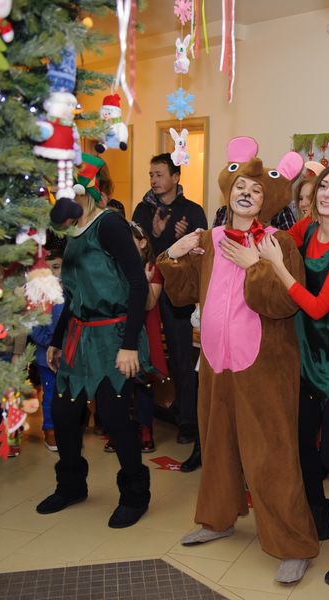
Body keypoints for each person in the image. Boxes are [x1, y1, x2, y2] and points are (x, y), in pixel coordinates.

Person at [156, 136, 319, 584]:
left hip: (264, 368)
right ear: (229, 192)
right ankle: (217, 519)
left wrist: (255, 264)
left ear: (267, 201)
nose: (247, 193)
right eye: (241, 186)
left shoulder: (278, 243)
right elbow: (183, 293)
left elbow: (283, 303)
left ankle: (293, 544)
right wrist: (172, 255)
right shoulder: (209, 239)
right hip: (215, 362)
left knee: (271, 454)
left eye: (256, 189)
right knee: (217, 444)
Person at [257, 162, 329, 586]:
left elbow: (320, 306)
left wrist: (278, 266)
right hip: (307, 358)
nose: (328, 194)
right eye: (325, 186)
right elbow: (270, 242)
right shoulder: (305, 229)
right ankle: (317, 517)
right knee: (303, 444)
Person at [37, 154, 152, 529]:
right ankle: (71, 485)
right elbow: (73, 295)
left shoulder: (110, 225)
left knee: (115, 418)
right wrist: (56, 340)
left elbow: (138, 284)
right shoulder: (72, 233)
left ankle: (135, 494)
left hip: (114, 336)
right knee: (65, 414)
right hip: (77, 337)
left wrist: (130, 344)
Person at [132, 153, 207, 456]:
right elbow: (136, 248)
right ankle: (143, 420)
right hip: (147, 284)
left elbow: (202, 252)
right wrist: (155, 235)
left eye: (159, 174)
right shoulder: (142, 210)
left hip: (177, 292)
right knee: (144, 351)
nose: (153, 180)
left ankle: (187, 421)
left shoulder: (192, 211)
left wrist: (182, 242)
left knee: (180, 357)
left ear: (176, 177)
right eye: (151, 174)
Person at [105, 221, 166, 454]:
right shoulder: (115, 266)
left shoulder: (153, 267)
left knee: (143, 382)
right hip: (119, 330)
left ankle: (145, 429)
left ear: (142, 243)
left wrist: (144, 281)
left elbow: (148, 304)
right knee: (119, 382)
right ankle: (118, 431)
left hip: (145, 330)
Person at [28, 249, 65, 452]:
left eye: (56, 267)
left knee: (68, 392)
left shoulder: (70, 292)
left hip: (69, 354)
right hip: (46, 356)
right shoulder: (37, 297)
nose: (52, 273)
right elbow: (34, 328)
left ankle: (68, 426)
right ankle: (50, 429)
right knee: (50, 393)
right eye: (47, 269)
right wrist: (52, 344)